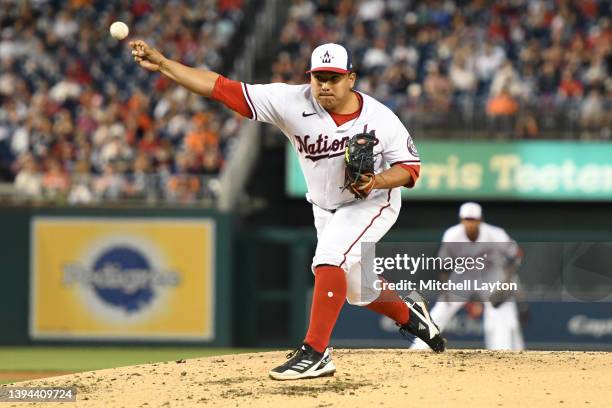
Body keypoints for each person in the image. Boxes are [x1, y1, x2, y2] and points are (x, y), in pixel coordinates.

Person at [130, 40, 445, 380]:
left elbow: (411, 169)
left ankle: (316, 352)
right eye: (318, 77)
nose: (324, 84)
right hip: (325, 207)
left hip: (371, 202)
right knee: (359, 290)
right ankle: (411, 316)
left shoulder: (380, 118)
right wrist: (164, 64)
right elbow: (219, 87)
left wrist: (377, 181)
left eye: (333, 77)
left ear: (351, 78)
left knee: (328, 259)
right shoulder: (289, 101)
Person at [411, 202, 525, 350]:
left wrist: (505, 284)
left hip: (492, 276)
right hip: (463, 276)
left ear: (480, 220)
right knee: (441, 310)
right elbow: (444, 266)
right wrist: (445, 289)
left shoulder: (495, 234)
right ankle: (418, 349)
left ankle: (501, 353)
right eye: (467, 219)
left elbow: (515, 257)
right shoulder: (452, 235)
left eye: (473, 219)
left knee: (499, 314)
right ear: (461, 220)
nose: (470, 223)